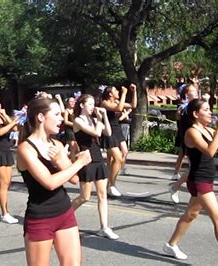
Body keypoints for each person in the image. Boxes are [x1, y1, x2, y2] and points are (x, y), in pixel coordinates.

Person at [163, 99, 218, 266]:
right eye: (206, 109)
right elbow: (210, 152)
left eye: (210, 109)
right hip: (199, 180)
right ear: (196, 114)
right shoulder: (192, 132)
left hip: (206, 179)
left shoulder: (208, 130)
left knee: (191, 214)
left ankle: (171, 244)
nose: (210, 112)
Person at [17, 97, 91, 266]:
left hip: (64, 212)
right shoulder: (25, 149)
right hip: (40, 218)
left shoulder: (56, 144)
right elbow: (49, 182)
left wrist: (59, 160)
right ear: (41, 117)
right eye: (57, 114)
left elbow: (74, 178)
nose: (61, 119)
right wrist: (79, 162)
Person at [70, 94, 119, 240]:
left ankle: (104, 227)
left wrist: (103, 117)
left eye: (93, 104)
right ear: (81, 105)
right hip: (86, 160)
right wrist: (98, 119)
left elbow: (108, 133)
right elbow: (96, 133)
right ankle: (64, 216)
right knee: (85, 197)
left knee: (102, 195)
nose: (93, 107)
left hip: (97, 158)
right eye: (90, 104)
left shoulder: (93, 119)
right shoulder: (78, 121)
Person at [100, 84, 137, 197]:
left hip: (116, 129)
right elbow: (119, 109)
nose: (118, 92)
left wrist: (134, 92)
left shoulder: (116, 102)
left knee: (124, 152)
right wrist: (124, 93)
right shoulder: (104, 103)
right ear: (110, 94)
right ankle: (111, 185)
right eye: (116, 91)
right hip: (108, 130)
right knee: (117, 158)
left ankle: (109, 184)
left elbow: (133, 105)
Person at [168, 82, 200, 203]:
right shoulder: (184, 108)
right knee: (195, 168)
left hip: (199, 138)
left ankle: (177, 187)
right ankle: (176, 187)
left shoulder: (196, 106)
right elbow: (179, 118)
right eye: (193, 90)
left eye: (196, 90)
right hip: (190, 140)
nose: (196, 91)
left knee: (197, 167)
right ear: (186, 94)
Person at [64, 96, 78, 162]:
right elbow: (65, 121)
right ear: (68, 103)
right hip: (70, 130)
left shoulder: (76, 110)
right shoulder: (67, 110)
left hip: (76, 130)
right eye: (71, 101)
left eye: (73, 101)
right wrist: (74, 125)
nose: (72, 103)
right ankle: (73, 161)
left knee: (77, 147)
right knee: (72, 147)